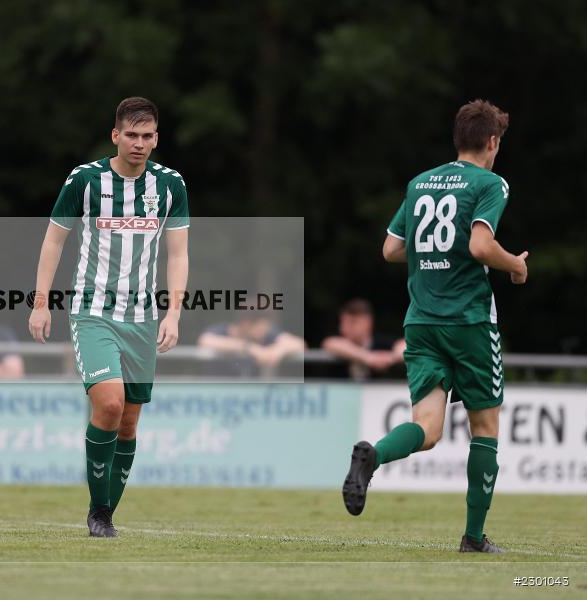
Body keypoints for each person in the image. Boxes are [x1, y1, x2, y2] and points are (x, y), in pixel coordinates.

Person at [342, 100, 527, 554]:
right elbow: (482, 246)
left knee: (426, 426)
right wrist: (515, 266)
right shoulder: (490, 182)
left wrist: (433, 255)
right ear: (492, 142)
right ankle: (473, 537)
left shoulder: (420, 182)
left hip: (421, 320)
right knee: (484, 426)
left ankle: (375, 455)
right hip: (468, 321)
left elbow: (390, 249)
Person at [28, 97, 189, 537]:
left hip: (142, 319)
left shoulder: (170, 185)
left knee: (130, 421)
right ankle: (98, 511)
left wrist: (173, 313)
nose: (139, 144)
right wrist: (41, 301)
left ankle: (107, 515)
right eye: (132, 135)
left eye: (148, 136)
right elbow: (53, 241)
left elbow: (178, 254)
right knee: (110, 403)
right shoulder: (85, 180)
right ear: (115, 136)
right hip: (92, 312)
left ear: (157, 138)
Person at [321, 298, 405, 380]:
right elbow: (329, 343)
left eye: (352, 322)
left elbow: (405, 346)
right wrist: (369, 358)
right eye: (342, 322)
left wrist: (390, 358)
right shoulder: (340, 343)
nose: (343, 328)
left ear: (368, 322)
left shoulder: (381, 342)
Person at [197, 316, 306, 377]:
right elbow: (204, 340)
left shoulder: (264, 335)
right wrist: (249, 348)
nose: (265, 331)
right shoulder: (221, 330)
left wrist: (279, 350)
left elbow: (300, 344)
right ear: (246, 323)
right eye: (261, 326)